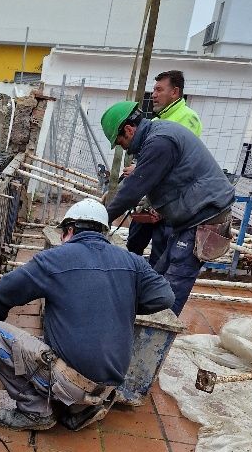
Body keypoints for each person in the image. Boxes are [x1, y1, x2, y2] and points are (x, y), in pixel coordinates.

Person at [0, 199, 175, 432]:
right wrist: (124, 304)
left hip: (72, 383)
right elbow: (165, 297)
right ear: (104, 232)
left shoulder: (55, 259)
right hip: (109, 386)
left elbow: (1, 294)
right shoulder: (131, 260)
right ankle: (81, 407)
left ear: (69, 231)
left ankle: (35, 412)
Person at [101, 101, 235, 314]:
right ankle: (146, 330)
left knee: (172, 289)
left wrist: (101, 217)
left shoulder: (160, 142)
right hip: (191, 217)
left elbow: (135, 186)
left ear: (128, 129)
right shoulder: (156, 137)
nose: (122, 147)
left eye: (120, 141)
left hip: (205, 217)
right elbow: (141, 181)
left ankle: (155, 340)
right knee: (159, 278)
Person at [127, 70, 203, 258]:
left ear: (175, 92)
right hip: (150, 196)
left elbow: (176, 161)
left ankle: (154, 284)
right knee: (133, 244)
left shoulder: (188, 118)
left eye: (159, 90)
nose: (154, 95)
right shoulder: (156, 121)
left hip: (172, 199)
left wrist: (139, 169)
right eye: (154, 90)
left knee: (161, 253)